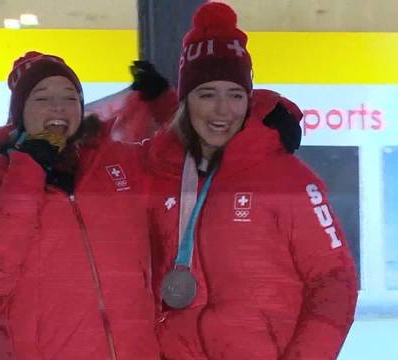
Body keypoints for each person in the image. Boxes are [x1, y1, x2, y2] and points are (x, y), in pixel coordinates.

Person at [146, 3, 358, 360]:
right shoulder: (159, 174)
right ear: (185, 101)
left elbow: (335, 282)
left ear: (249, 98)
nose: (222, 110)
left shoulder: (286, 179)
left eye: (235, 94)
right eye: (206, 94)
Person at [0, 52, 163, 360]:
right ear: (19, 113)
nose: (58, 107)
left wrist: (166, 103)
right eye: (41, 98)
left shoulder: (118, 165)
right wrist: (27, 170)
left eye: (69, 97)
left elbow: (179, 162)